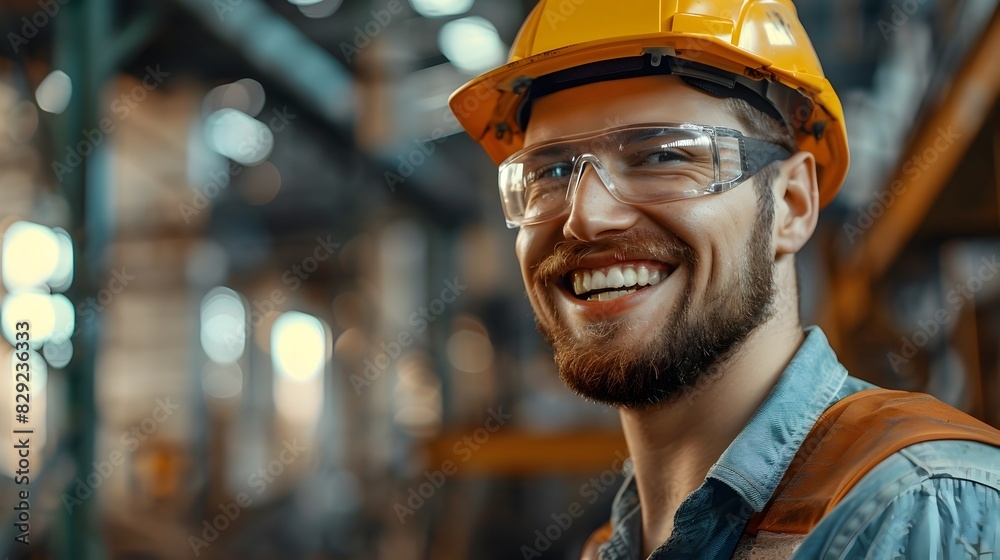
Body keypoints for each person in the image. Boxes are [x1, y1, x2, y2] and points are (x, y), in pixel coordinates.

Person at [448, 0, 1000, 558]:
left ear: (790, 204)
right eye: (551, 172)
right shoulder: (607, 550)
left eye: (661, 156)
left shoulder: (917, 507)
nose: (585, 216)